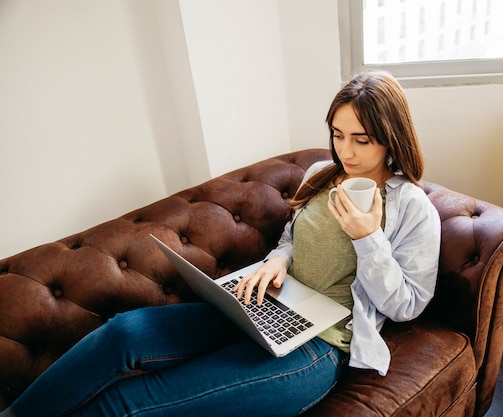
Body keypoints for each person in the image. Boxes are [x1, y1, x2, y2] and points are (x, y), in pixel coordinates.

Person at [1, 70, 441, 417]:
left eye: (361, 140)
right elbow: (292, 236)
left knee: (132, 404)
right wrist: (279, 260)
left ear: (391, 137)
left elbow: (407, 305)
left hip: (319, 346)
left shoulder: (412, 208)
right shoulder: (319, 178)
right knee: (123, 333)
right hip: (266, 304)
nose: (345, 151)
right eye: (338, 135)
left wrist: (368, 239)